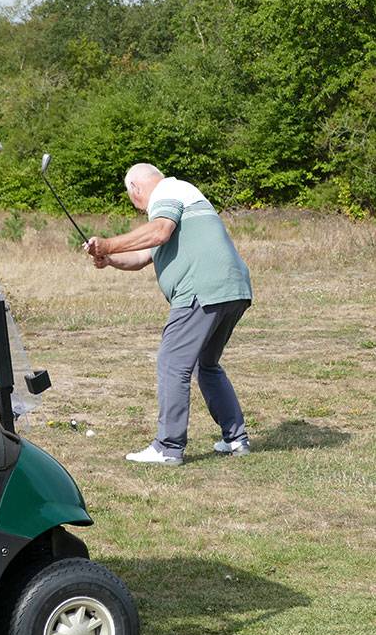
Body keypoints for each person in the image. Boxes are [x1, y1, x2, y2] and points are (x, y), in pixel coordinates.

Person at [83, 163, 252, 467]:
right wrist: (109, 258)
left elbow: (159, 233)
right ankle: (235, 439)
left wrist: (109, 242)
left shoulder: (168, 191)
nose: (138, 207)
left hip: (200, 289)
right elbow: (141, 256)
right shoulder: (181, 197)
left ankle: (168, 447)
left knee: (172, 362)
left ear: (135, 188)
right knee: (206, 364)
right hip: (232, 289)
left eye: (132, 198)